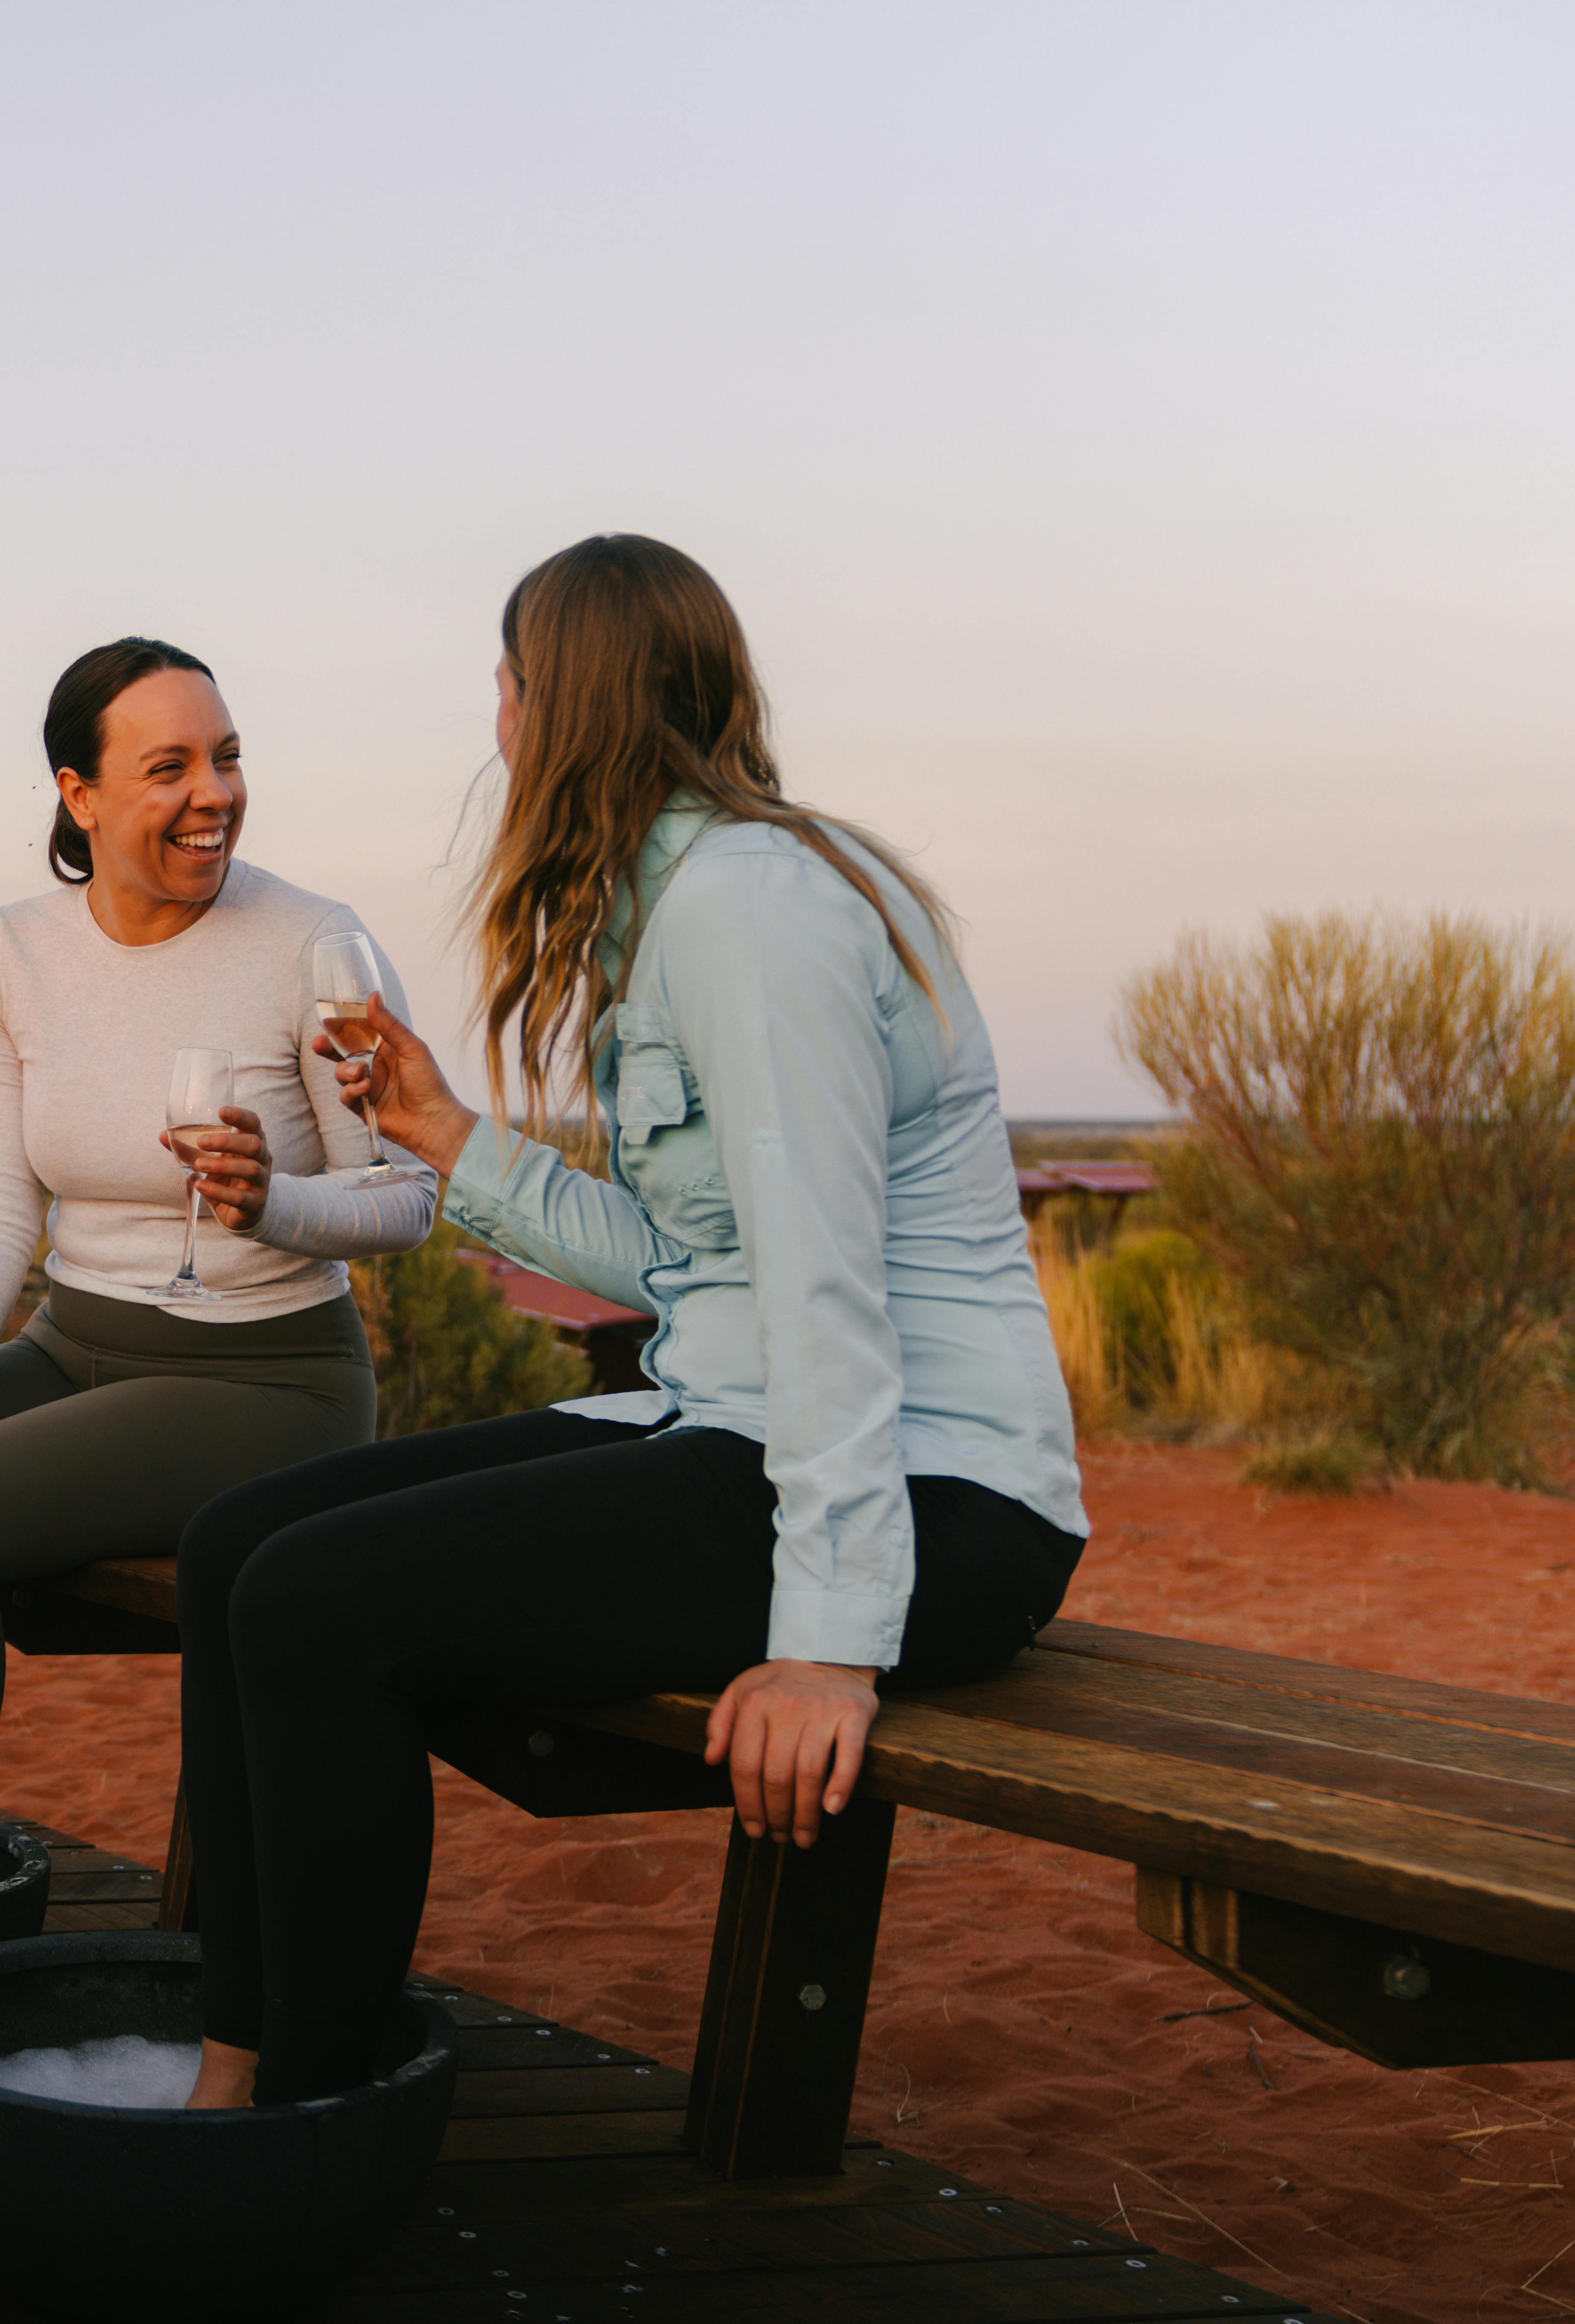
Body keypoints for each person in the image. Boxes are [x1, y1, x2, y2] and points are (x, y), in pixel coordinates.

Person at [175, 537, 1088, 2106]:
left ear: (566, 706)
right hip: (743, 1428)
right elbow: (694, 1263)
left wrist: (829, 1648)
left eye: (512, 688)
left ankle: (307, 2131)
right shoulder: (677, 905)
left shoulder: (749, 914)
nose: (502, 724)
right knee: (236, 1549)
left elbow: (821, 1289)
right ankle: (229, 2065)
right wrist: (448, 1133)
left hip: (937, 1497)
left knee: (317, 1608)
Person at [0, 638, 438, 1915]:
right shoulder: (13, 954)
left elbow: (407, 1195)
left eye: (230, 757)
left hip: (265, 1379)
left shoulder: (318, 947)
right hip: (77, 1343)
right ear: (79, 796)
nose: (217, 794)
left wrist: (278, 1200)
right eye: (171, 767)